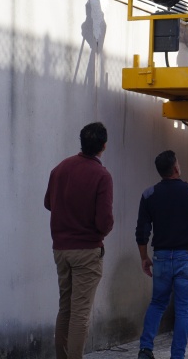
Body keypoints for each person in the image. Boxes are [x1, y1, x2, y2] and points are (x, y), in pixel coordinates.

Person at [135, 151, 188, 359]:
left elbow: (142, 231)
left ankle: (145, 349)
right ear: (176, 169)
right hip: (187, 259)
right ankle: (177, 356)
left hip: (161, 258)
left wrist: (144, 257)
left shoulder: (148, 195)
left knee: (157, 303)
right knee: (183, 310)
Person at [44, 122, 115, 359]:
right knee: (80, 314)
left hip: (61, 249)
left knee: (65, 308)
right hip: (86, 250)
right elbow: (104, 222)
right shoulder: (101, 175)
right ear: (103, 146)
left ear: (82, 142)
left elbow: (48, 203)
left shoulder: (60, 168)